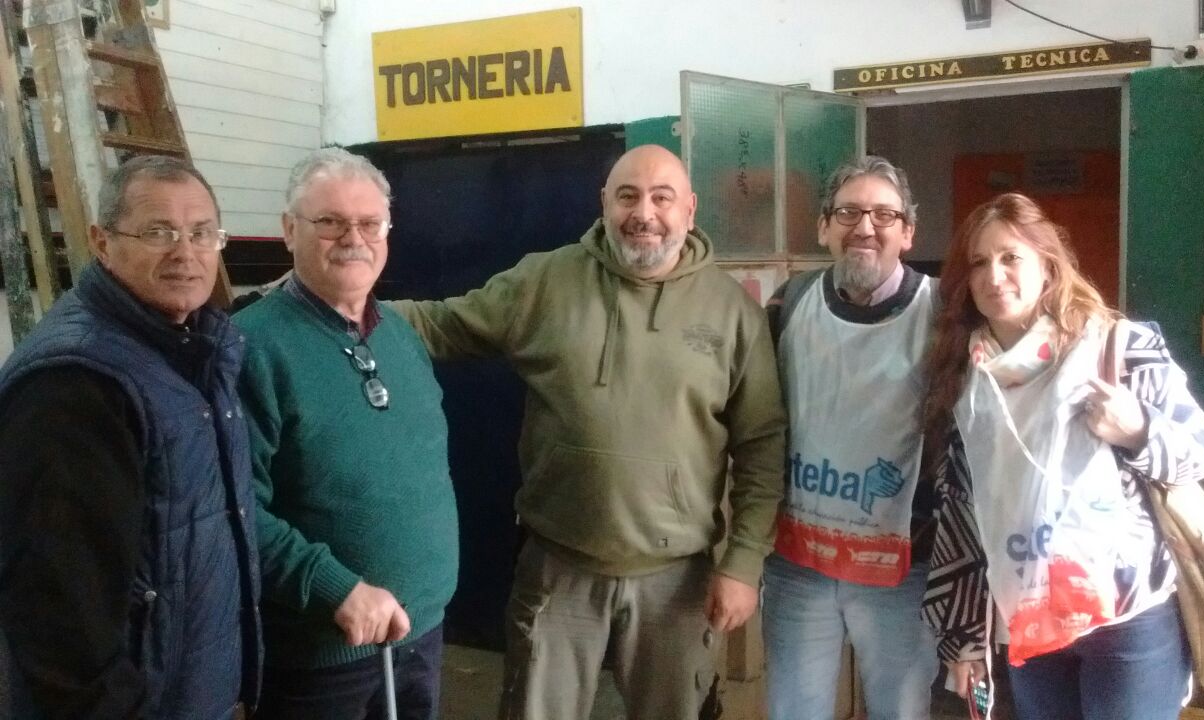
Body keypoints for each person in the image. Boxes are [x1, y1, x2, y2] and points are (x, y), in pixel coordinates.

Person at [390, 144, 787, 720]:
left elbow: (762, 444)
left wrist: (744, 563)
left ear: (690, 209)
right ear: (604, 202)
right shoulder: (545, 280)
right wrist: (346, 309)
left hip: (677, 580)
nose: (643, 213)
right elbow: (443, 325)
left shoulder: (732, 312)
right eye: (627, 195)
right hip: (558, 570)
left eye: (661, 197)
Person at [921, 193, 1204, 719]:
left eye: (1011, 257)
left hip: (1124, 616)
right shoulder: (965, 378)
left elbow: (1200, 453)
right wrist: (964, 636)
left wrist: (1138, 430)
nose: (994, 275)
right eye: (979, 262)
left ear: (1048, 266)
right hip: (1028, 621)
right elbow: (962, 516)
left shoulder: (1118, 348)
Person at [0, 155, 261, 718]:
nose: (185, 252)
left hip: (192, 695)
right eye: (158, 232)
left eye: (201, 233)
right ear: (102, 242)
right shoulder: (75, 384)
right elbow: (60, 619)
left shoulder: (192, 350)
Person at [235, 147, 458, 719]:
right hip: (320, 656)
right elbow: (233, 507)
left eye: (369, 223)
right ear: (289, 230)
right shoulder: (249, 347)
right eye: (330, 222)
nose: (353, 238)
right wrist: (337, 589)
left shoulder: (400, 336)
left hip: (421, 633)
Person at [762, 156, 940, 720]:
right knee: (794, 711)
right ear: (823, 227)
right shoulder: (789, 304)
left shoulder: (945, 314)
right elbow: (752, 419)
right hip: (799, 562)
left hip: (903, 567)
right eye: (848, 213)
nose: (865, 227)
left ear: (908, 233)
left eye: (884, 214)